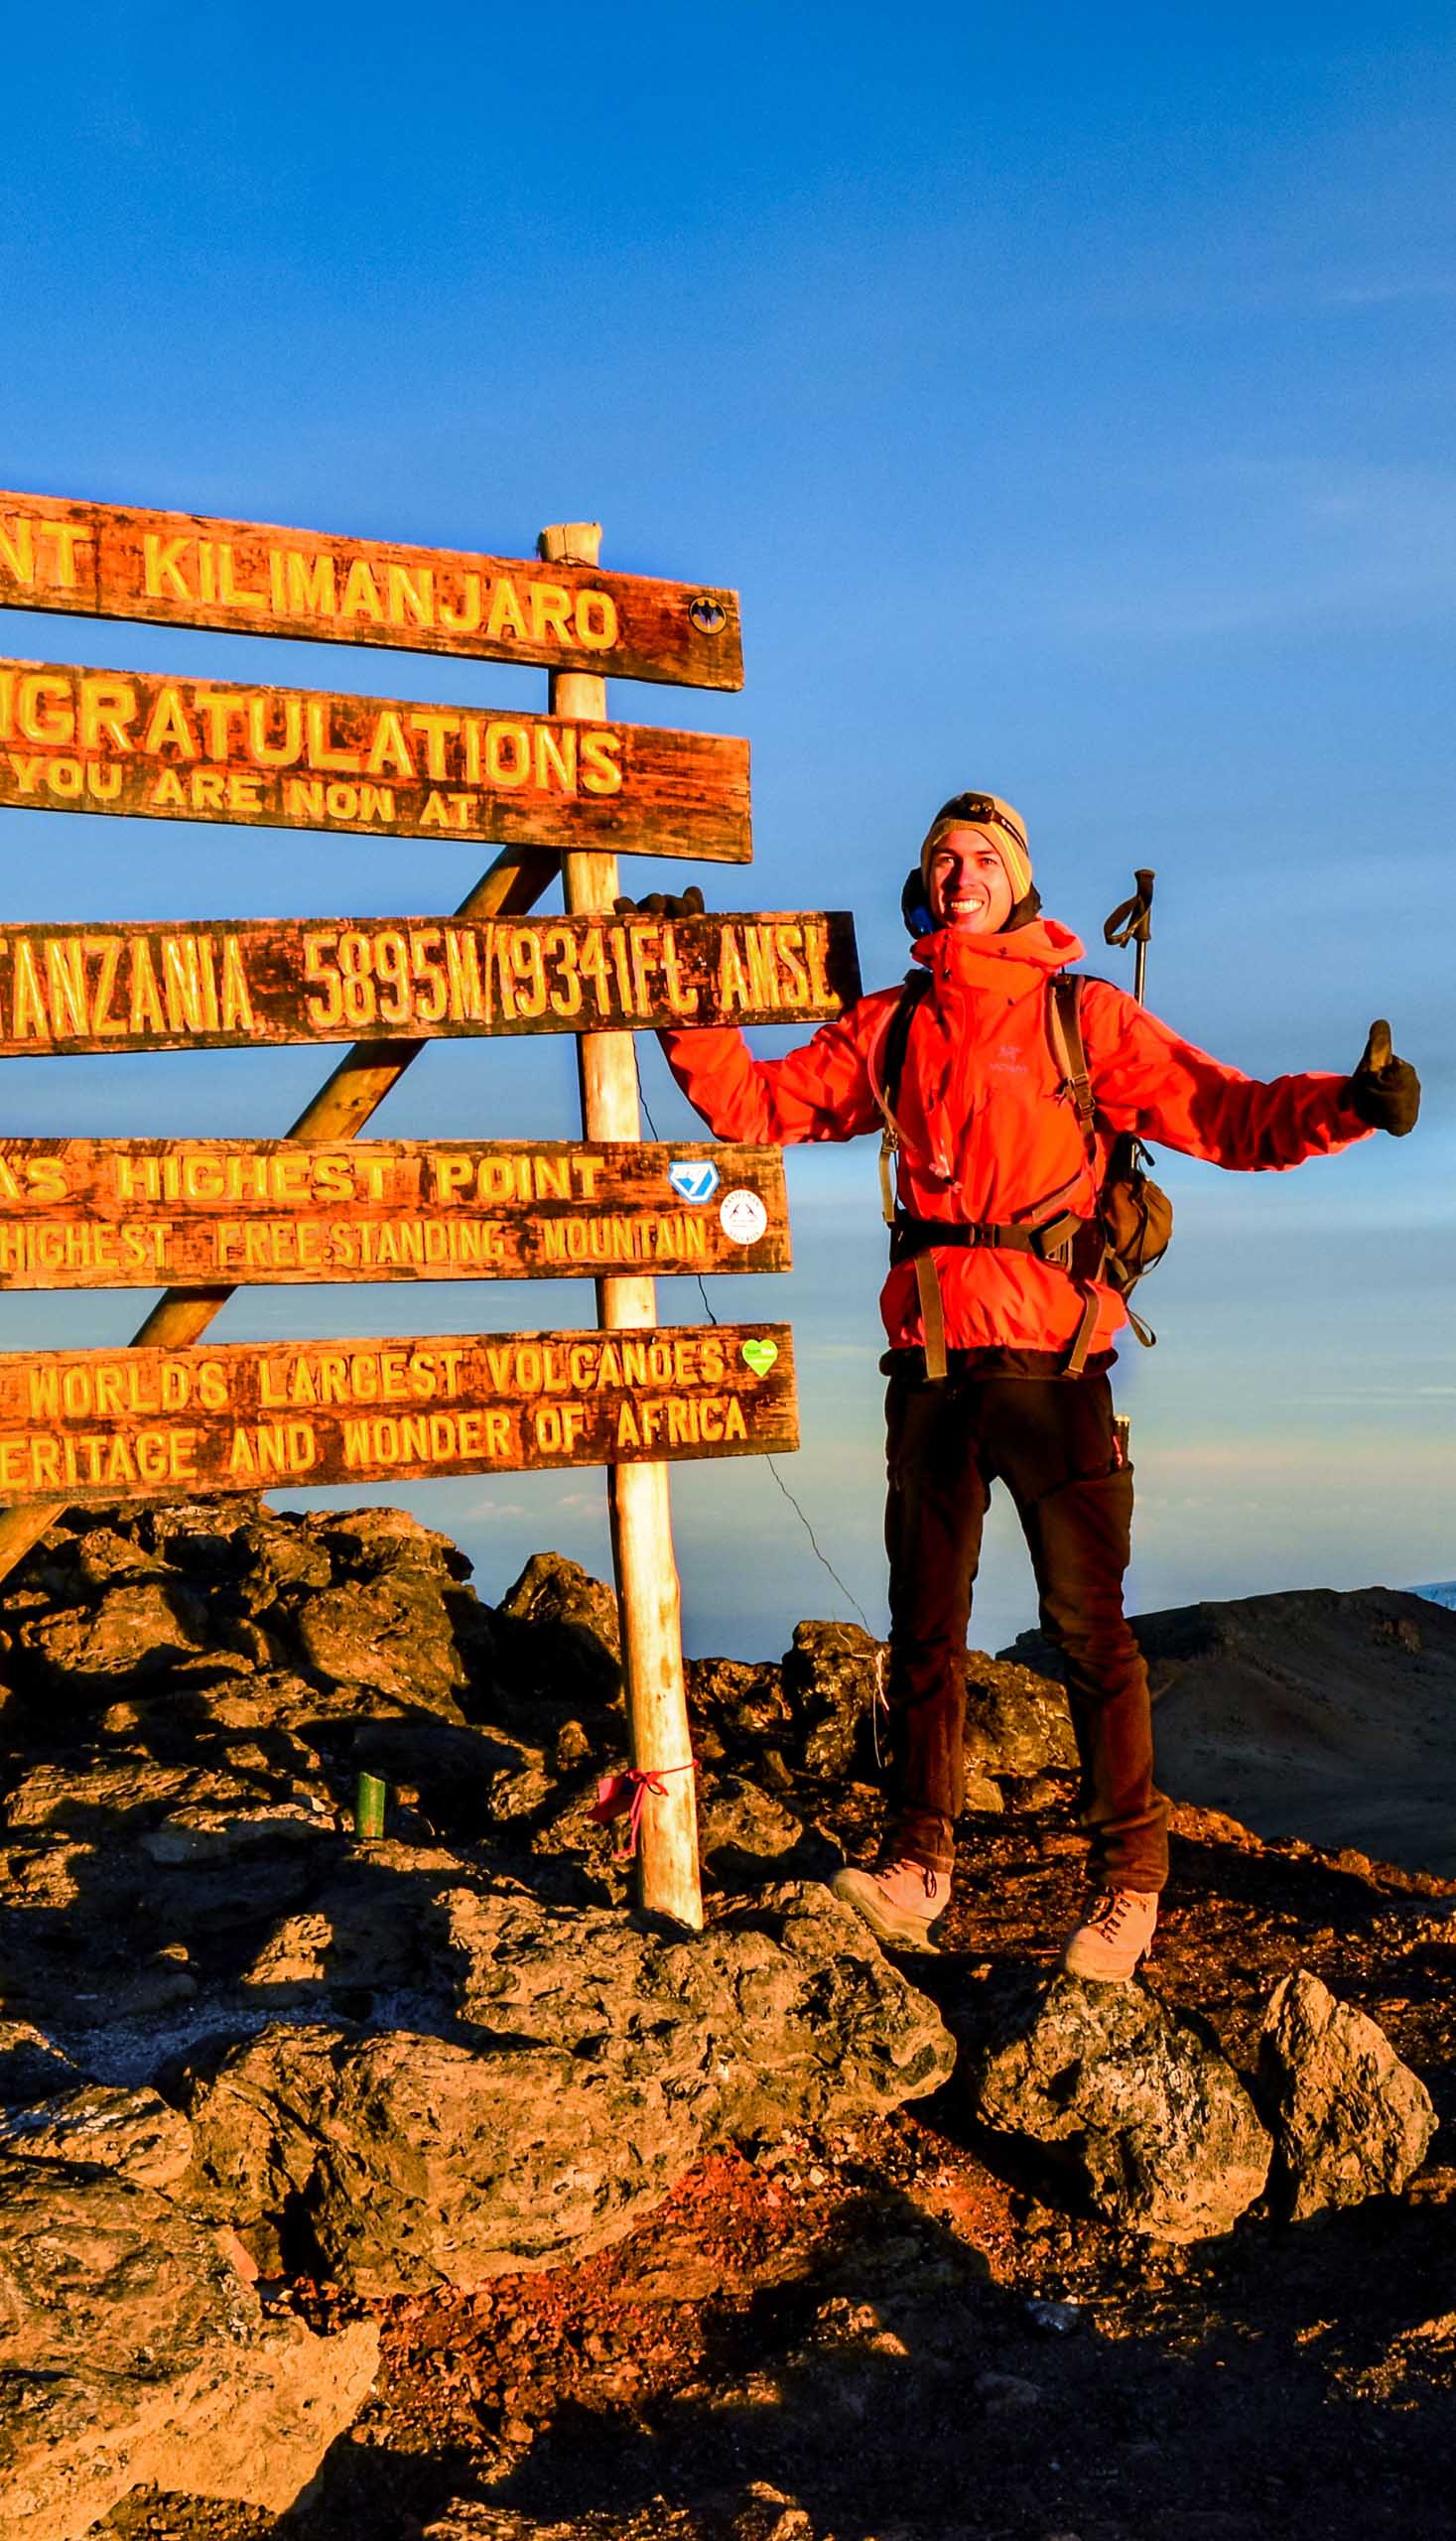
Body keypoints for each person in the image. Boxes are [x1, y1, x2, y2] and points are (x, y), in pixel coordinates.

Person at [652, 795, 1420, 1979]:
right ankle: (916, 1864)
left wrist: (1348, 1109)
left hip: (1056, 1367)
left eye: (981, 859)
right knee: (925, 1632)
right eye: (941, 861)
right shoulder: (894, 1026)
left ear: (1018, 881)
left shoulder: (1081, 1014)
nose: (959, 875)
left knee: (1090, 1632)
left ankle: (1128, 1884)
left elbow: (1222, 1111)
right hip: (931, 1367)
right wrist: (691, 1006)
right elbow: (758, 1105)